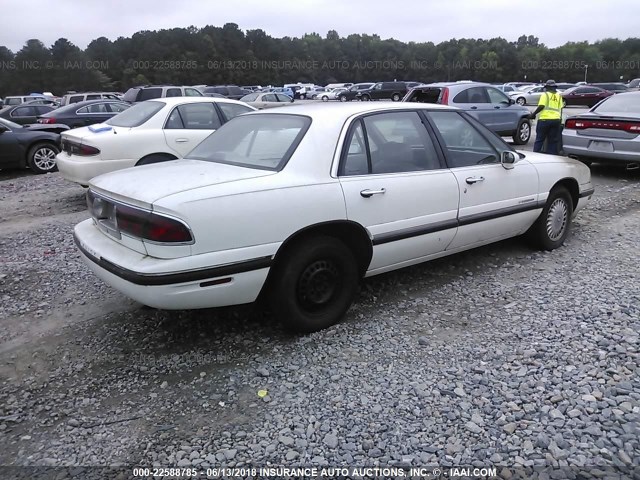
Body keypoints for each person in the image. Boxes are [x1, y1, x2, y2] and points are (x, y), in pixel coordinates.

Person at [530, 80, 563, 154]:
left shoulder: (545, 95)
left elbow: (541, 106)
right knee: (553, 140)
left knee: (540, 139)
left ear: (547, 87)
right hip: (556, 120)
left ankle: (535, 154)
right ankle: (551, 156)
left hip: (544, 120)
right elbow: (560, 108)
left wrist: (533, 114)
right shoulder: (559, 96)